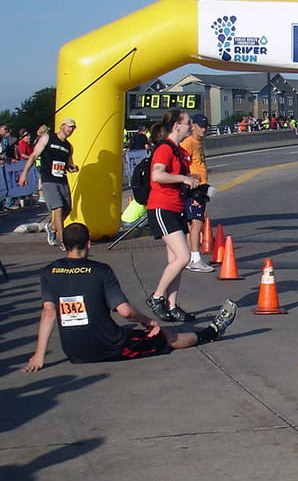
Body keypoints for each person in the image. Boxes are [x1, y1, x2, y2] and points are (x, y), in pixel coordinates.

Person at [22, 223, 237, 372]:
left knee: (127, 331)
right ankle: (211, 333)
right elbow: (124, 311)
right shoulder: (100, 271)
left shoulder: (49, 272)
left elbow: (49, 312)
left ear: (64, 245)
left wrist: (39, 355)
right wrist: (150, 322)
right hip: (107, 346)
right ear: (88, 244)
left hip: (75, 351)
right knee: (165, 336)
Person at [145, 111, 202, 323]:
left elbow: (179, 179)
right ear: (176, 126)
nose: (190, 126)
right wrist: (183, 178)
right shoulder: (164, 149)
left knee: (175, 261)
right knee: (183, 257)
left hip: (176, 206)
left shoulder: (179, 151)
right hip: (162, 207)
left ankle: (172, 305)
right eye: (188, 123)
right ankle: (157, 296)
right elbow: (157, 175)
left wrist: (191, 183)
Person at [17, 117, 78, 249]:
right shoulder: (48, 137)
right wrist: (24, 173)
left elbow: (68, 163)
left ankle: (51, 227)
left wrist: (72, 167)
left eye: (73, 128)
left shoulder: (68, 146)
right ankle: (63, 241)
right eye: (69, 126)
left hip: (61, 178)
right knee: (58, 208)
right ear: (62, 126)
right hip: (48, 179)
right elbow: (33, 156)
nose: (70, 130)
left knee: (67, 210)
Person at [180, 114, 213, 273]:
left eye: (205, 126)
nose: (203, 129)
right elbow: (182, 165)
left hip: (201, 186)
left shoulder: (198, 142)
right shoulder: (188, 143)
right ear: (193, 126)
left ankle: (189, 257)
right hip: (194, 188)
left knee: (193, 223)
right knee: (196, 222)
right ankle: (195, 258)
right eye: (200, 126)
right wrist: (191, 183)